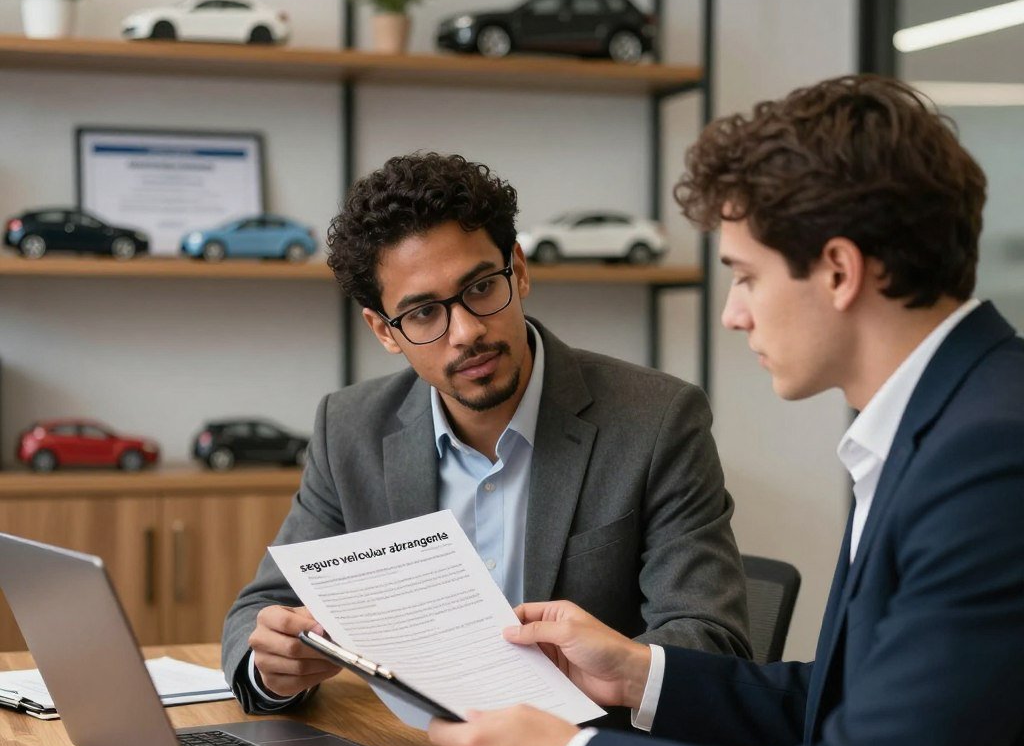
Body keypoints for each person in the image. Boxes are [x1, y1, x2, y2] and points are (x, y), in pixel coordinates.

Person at [428, 75, 1024, 746]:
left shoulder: (989, 457)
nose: (734, 311)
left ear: (837, 269)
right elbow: (859, 706)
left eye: (745, 275)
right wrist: (639, 673)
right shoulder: (950, 418)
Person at [222, 152, 750, 713]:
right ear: (384, 330)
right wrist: (274, 668)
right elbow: (262, 611)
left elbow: (709, 640)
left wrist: (629, 671)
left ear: (519, 270)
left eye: (480, 289)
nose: (468, 332)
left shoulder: (657, 420)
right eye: (424, 313)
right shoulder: (349, 428)